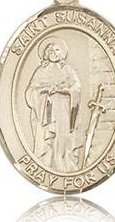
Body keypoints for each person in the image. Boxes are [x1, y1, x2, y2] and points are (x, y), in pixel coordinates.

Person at [25, 37, 81, 172]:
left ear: (62, 53)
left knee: (63, 138)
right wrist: (45, 89)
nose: (54, 53)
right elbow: (31, 91)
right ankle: (47, 166)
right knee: (49, 140)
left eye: (57, 50)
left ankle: (64, 167)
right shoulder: (41, 71)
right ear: (46, 54)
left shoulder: (67, 70)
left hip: (63, 110)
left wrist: (65, 90)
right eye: (50, 50)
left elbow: (77, 87)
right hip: (47, 111)